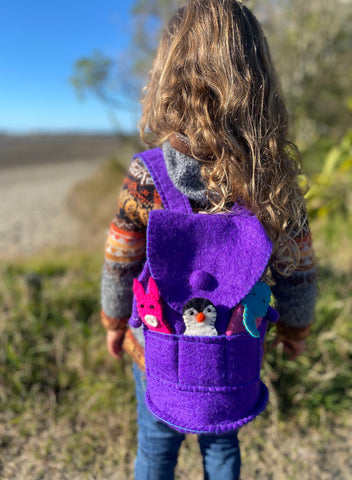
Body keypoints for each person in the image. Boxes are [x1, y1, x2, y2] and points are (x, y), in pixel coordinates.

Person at [101, 1, 317, 479]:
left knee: (155, 449)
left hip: (155, 346)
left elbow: (120, 260)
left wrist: (116, 320)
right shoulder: (273, 177)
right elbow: (297, 268)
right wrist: (296, 330)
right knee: (222, 448)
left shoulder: (147, 174)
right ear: (256, 78)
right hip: (233, 348)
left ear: (166, 76)